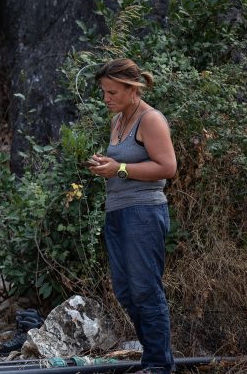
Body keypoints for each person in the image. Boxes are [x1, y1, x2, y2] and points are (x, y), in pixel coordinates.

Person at [87, 58, 177, 374]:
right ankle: (154, 359)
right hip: (117, 214)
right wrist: (106, 165)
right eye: (103, 92)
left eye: (112, 92)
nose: (106, 98)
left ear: (132, 88)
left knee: (145, 290)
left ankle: (159, 365)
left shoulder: (150, 120)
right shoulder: (117, 121)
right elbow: (123, 165)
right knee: (126, 292)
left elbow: (167, 167)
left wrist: (120, 168)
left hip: (143, 213)